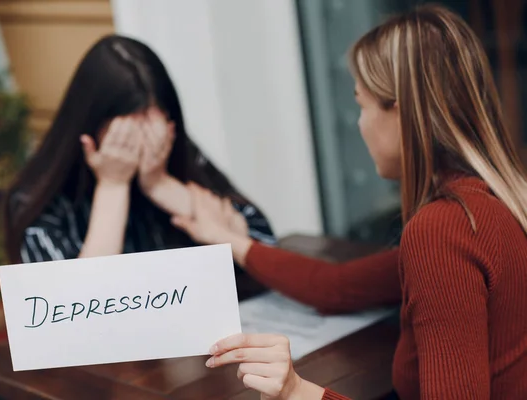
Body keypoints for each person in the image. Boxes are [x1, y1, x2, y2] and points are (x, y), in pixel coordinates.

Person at [172, 4, 527, 399]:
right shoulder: (492, 202)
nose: (359, 123)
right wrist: (232, 240)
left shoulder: (443, 229)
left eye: (361, 104)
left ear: (401, 112)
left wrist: (296, 391)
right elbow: (337, 288)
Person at [3, 36, 275, 280]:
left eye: (152, 130)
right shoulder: (38, 201)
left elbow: (265, 248)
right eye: (125, 135)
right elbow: (76, 306)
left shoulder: (179, 160)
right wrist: (113, 186)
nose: (142, 146)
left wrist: (161, 185)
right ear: (88, 129)